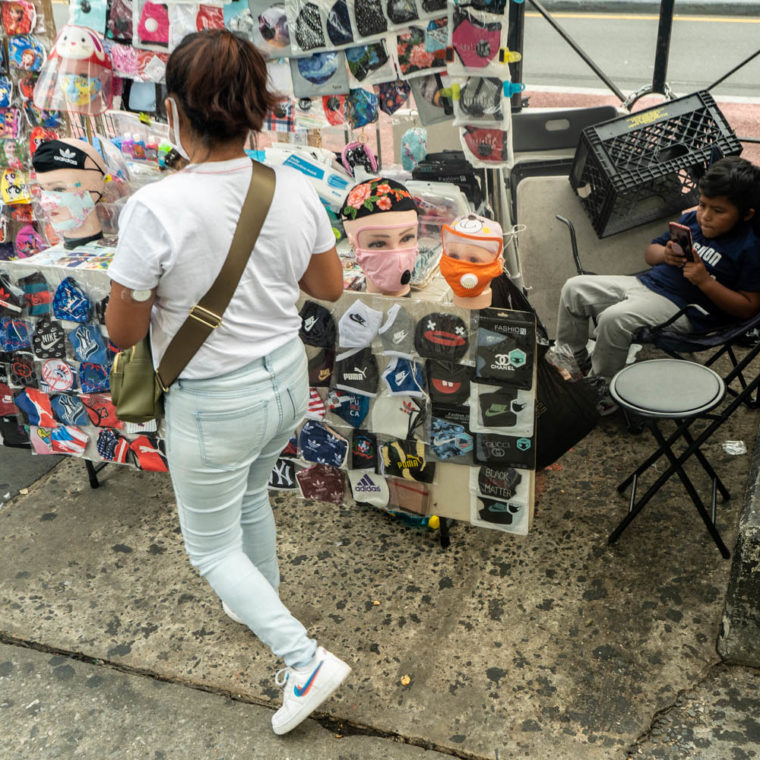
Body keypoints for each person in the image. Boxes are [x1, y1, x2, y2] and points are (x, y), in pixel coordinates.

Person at [105, 29, 350, 736]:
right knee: (248, 496)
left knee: (207, 545)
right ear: (254, 108)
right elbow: (327, 284)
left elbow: (124, 333)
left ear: (176, 109)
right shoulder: (294, 188)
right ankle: (260, 602)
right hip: (284, 379)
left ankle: (302, 659)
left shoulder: (156, 207)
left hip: (215, 399)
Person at [555, 156, 760, 414]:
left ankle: (602, 392)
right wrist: (665, 255)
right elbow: (650, 253)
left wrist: (705, 282)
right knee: (575, 289)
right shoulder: (692, 222)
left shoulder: (750, 247)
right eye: (702, 204)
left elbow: (749, 309)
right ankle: (573, 365)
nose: (705, 216)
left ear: (746, 214)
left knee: (614, 319)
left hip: (685, 308)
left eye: (718, 211)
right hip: (645, 284)